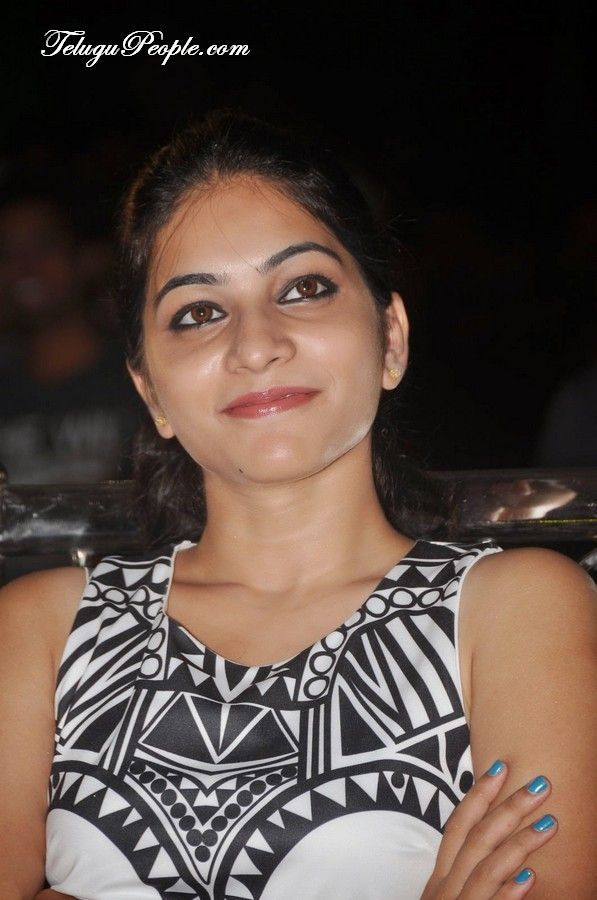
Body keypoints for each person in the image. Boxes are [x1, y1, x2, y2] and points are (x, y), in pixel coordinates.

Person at [0, 110, 595, 900]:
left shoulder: (513, 609)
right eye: (198, 312)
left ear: (390, 337)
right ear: (150, 390)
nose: (255, 344)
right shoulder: (44, 627)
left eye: (303, 289)